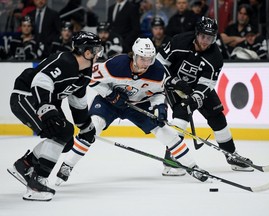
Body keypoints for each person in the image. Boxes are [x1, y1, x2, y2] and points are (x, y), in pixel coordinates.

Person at [55, 37, 209, 185]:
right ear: (134, 55)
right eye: (143, 58)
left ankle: (192, 167)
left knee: (165, 131)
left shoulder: (157, 71)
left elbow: (157, 94)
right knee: (93, 127)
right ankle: (67, 165)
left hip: (138, 104)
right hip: (109, 102)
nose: (146, 63)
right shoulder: (117, 64)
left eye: (150, 59)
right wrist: (110, 95)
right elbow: (91, 78)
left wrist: (159, 109)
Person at [7, 31, 103, 201]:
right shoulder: (65, 61)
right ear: (86, 51)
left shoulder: (85, 73)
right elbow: (40, 81)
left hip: (45, 101)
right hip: (26, 96)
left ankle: (24, 165)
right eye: (96, 49)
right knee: (62, 131)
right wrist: (45, 109)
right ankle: (36, 184)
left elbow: (78, 104)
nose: (98, 54)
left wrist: (86, 127)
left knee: (67, 141)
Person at [156, 16, 254, 176]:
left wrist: (195, 98)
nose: (205, 41)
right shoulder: (178, 41)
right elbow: (159, 63)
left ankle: (231, 155)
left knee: (217, 116)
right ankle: (171, 159)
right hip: (173, 84)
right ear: (196, 33)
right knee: (181, 116)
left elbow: (207, 83)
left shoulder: (215, 57)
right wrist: (173, 80)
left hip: (196, 87)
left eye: (210, 38)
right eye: (203, 36)